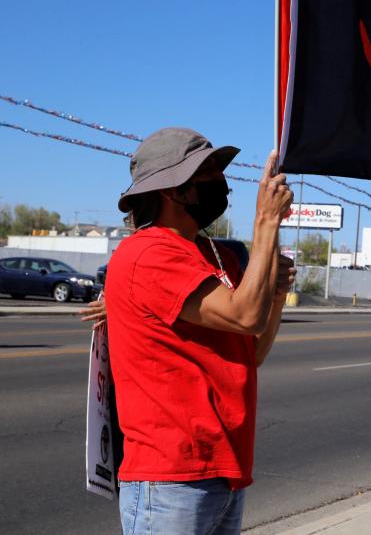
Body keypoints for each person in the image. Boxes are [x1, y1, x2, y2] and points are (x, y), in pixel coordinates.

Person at [104, 128, 294, 535]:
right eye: (207, 173)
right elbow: (245, 315)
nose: (222, 183)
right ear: (173, 191)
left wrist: (275, 293)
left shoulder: (217, 255)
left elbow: (252, 350)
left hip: (223, 469)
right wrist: (265, 221)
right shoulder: (148, 253)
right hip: (172, 477)